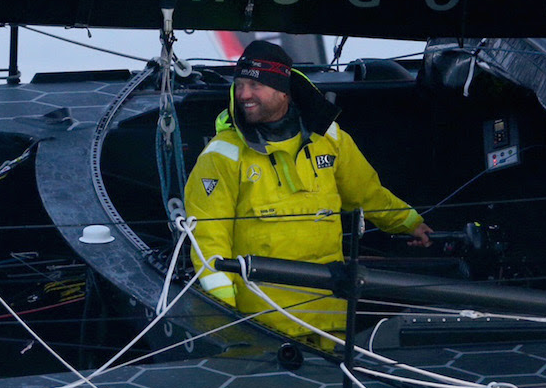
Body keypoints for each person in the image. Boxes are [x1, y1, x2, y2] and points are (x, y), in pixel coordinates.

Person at [183, 40, 431, 340]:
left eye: (254, 85)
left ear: (283, 90)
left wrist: (410, 223)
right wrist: (227, 322)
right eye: (239, 85)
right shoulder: (221, 155)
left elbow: (367, 194)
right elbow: (208, 243)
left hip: (330, 323)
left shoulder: (330, 138)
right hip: (262, 331)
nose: (243, 94)